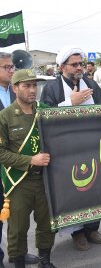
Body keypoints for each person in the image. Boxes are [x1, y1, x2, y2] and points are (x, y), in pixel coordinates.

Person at [40, 46, 101, 251]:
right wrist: (70, 102)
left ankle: (92, 228)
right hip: (67, 151)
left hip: (94, 147)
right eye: (74, 64)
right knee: (74, 191)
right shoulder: (52, 88)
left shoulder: (92, 83)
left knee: (96, 190)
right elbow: (44, 118)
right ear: (62, 67)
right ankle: (77, 233)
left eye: (81, 64)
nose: (79, 68)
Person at [0, 69, 57, 268]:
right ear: (15, 88)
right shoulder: (5, 117)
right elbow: (1, 153)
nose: (32, 90)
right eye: (27, 86)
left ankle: (45, 260)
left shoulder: (45, 111)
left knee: (46, 223)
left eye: (34, 86)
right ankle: (18, 263)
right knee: (18, 228)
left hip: (45, 180)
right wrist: (30, 160)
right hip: (19, 181)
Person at [0, 54, 39, 267]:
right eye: (7, 67)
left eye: (13, 66)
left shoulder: (22, 96)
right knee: (11, 221)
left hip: (20, 166)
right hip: (8, 167)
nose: (12, 69)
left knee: (19, 219)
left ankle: (19, 256)